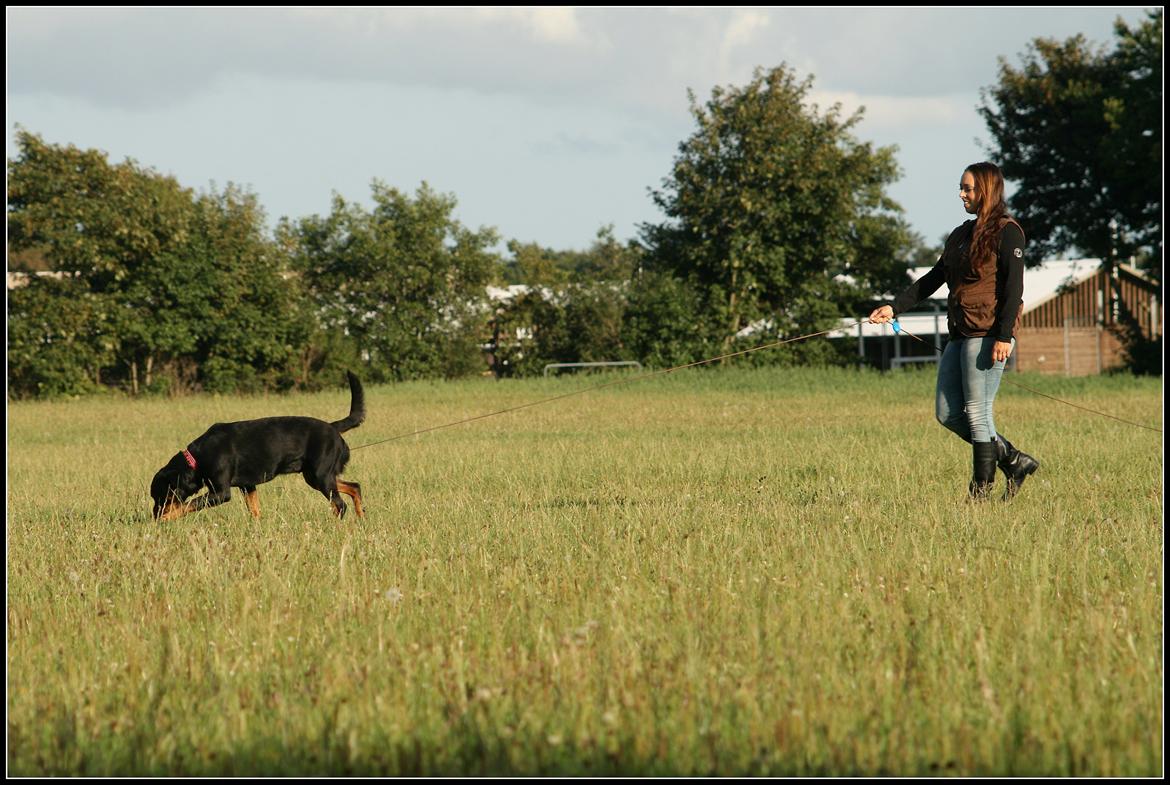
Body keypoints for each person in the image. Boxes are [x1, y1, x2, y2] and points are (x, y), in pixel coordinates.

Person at [869, 162, 1039, 500]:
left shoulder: (1008, 232)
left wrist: (1005, 335)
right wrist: (895, 307)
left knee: (978, 412)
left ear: (986, 191)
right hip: (959, 334)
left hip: (989, 334)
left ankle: (980, 494)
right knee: (947, 413)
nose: (961, 194)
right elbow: (934, 277)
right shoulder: (961, 234)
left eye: (968, 188)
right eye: (961, 188)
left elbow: (1013, 289)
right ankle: (1014, 460)